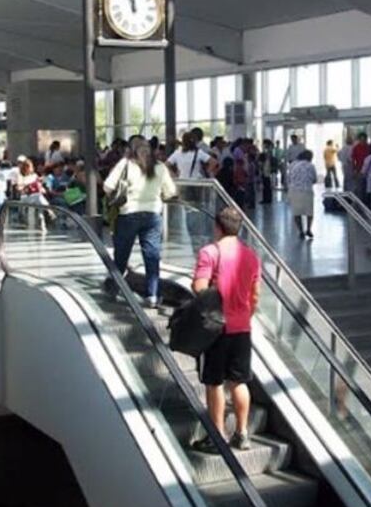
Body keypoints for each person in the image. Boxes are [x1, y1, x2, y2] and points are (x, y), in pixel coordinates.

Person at [191, 207, 261, 453]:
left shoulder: (210, 252)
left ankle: (216, 436)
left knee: (214, 382)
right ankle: (242, 434)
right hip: (242, 327)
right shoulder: (251, 256)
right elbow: (255, 295)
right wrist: (245, 313)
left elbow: (200, 286)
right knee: (239, 382)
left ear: (218, 227)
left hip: (218, 328)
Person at [103, 138, 177, 307]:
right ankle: (152, 295)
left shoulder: (126, 164)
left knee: (121, 255)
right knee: (152, 256)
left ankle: (115, 289)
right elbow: (171, 191)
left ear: (132, 149)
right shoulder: (159, 167)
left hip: (128, 214)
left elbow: (107, 187)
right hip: (153, 216)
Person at [287, 150, 317, 239]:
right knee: (309, 212)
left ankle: (301, 230)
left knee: (296, 212)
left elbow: (289, 178)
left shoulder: (292, 165)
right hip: (307, 190)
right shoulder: (311, 166)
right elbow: (314, 179)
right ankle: (308, 229)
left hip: (294, 190)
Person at [14, 159, 48, 231]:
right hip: (25, 197)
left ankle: (41, 219)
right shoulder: (21, 176)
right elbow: (19, 188)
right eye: (29, 167)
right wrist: (27, 184)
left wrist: (41, 187)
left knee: (38, 197)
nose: (31, 169)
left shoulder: (35, 175)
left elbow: (39, 187)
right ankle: (48, 211)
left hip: (35, 196)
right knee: (38, 197)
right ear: (25, 167)